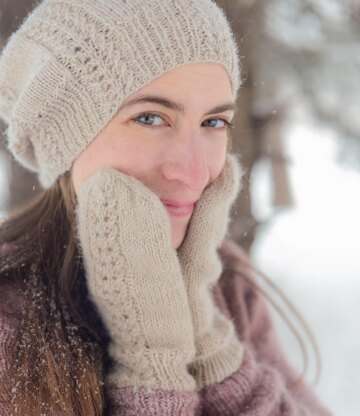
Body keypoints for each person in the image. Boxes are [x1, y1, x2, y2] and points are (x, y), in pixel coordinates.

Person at [0, 0, 333, 415]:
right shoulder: (10, 317)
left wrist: (210, 347)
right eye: (151, 118)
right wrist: (153, 362)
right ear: (64, 140)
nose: (194, 174)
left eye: (214, 122)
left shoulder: (225, 282)